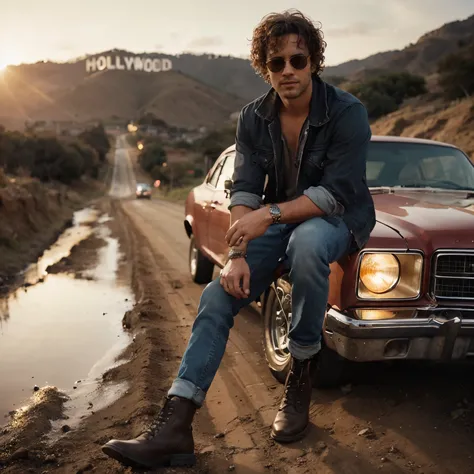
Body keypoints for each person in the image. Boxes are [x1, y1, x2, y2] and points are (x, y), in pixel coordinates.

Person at [102, 9, 376, 469]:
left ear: (314, 61)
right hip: (278, 219)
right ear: (263, 67)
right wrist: (235, 254)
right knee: (215, 294)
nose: (288, 71)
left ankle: (301, 373)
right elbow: (245, 187)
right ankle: (176, 425)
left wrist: (267, 215)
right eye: (276, 63)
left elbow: (334, 194)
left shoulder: (347, 112)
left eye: (298, 60)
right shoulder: (253, 117)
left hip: (338, 218)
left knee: (308, 244)